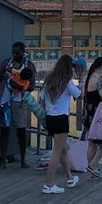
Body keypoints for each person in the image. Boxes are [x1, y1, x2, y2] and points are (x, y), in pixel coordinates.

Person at [41, 54, 81, 194]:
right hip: (61, 117)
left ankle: (70, 178)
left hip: (50, 117)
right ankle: (49, 184)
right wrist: (81, 82)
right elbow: (79, 95)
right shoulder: (67, 82)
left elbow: (42, 99)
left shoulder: (49, 80)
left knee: (62, 149)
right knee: (57, 152)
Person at [0, 42, 36, 168]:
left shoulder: (29, 65)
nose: (14, 55)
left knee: (21, 130)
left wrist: (19, 86)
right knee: (4, 129)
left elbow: (32, 86)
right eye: (13, 52)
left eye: (17, 53)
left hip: (20, 101)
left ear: (23, 52)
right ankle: (3, 161)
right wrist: (4, 79)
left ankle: (23, 160)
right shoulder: (6, 63)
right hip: (6, 100)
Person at [82, 57, 102, 178]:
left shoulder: (88, 77)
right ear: (101, 67)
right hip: (98, 114)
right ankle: (93, 164)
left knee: (91, 143)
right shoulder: (100, 78)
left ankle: (92, 170)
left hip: (88, 113)